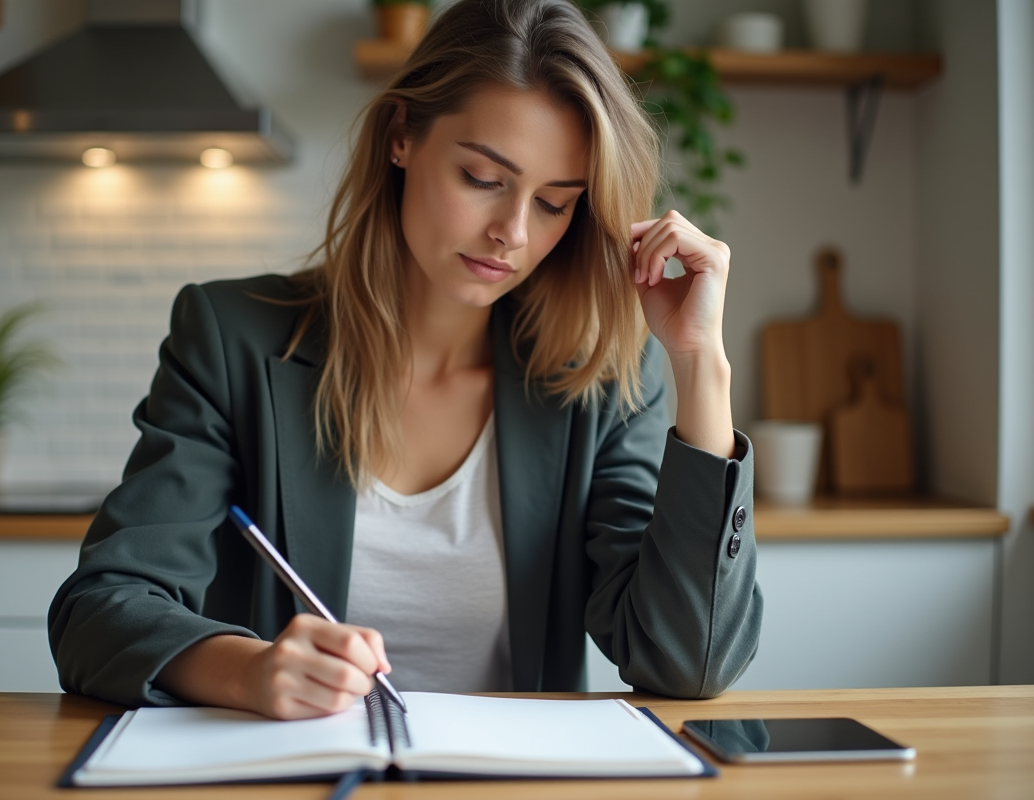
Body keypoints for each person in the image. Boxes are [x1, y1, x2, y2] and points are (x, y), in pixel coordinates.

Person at [48, 0, 762, 720]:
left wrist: (702, 366)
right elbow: (99, 613)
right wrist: (250, 671)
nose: (511, 232)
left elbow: (686, 660)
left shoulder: (600, 377)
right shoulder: (231, 341)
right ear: (401, 137)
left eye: (554, 202)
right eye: (483, 178)